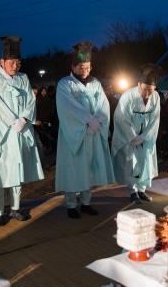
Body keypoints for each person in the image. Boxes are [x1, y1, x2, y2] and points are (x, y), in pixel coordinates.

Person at [0, 36, 44, 225]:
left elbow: (31, 101)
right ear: (2, 61)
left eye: (18, 62)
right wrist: (12, 121)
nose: (15, 66)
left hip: (20, 131)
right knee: (0, 172)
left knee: (18, 172)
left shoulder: (23, 78)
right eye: (12, 62)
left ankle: (15, 208)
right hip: (1, 133)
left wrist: (24, 119)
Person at [55, 41, 115, 218]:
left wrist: (97, 122)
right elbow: (68, 108)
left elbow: (103, 104)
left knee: (89, 169)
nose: (85, 71)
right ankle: (71, 204)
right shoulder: (65, 84)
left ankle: (86, 202)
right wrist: (89, 120)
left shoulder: (95, 83)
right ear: (73, 66)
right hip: (74, 134)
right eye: (81, 67)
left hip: (93, 133)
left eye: (88, 67)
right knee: (73, 169)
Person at [111, 64, 162, 204]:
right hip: (130, 137)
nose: (147, 94)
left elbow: (155, 119)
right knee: (131, 163)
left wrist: (145, 136)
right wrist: (133, 136)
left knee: (145, 161)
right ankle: (132, 191)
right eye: (145, 89)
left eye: (150, 90)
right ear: (139, 84)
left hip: (145, 137)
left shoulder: (156, 97)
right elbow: (121, 118)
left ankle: (142, 189)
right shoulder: (128, 96)